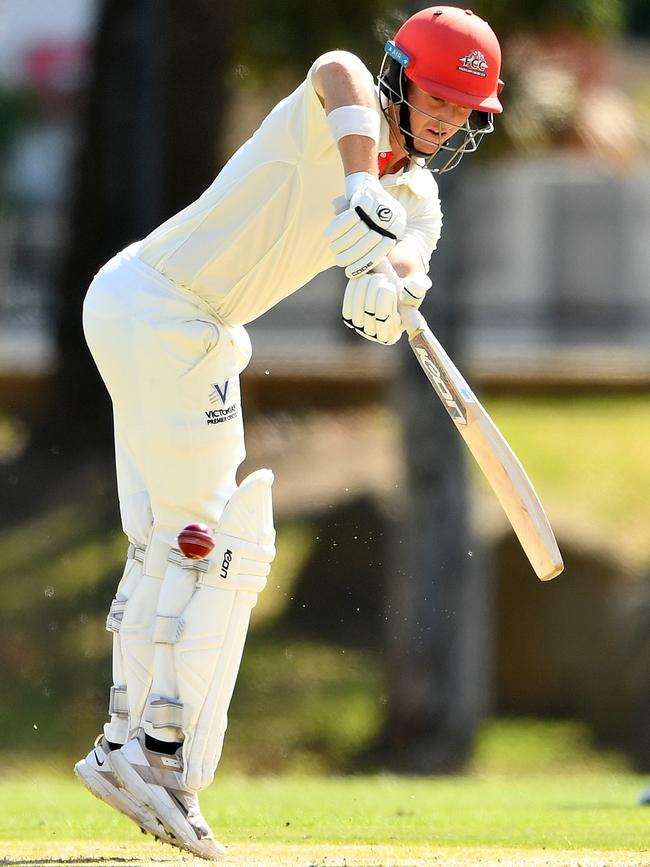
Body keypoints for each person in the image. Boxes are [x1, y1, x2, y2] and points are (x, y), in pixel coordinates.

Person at [74, 6, 503, 859]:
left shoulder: (418, 195)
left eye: (467, 107)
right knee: (222, 547)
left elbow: (405, 263)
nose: (450, 116)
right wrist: (355, 188)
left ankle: (127, 739)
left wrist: (391, 293)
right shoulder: (338, 111)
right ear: (400, 76)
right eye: (439, 94)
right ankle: (159, 759)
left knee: (166, 541)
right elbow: (336, 67)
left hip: (153, 309)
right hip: (165, 309)